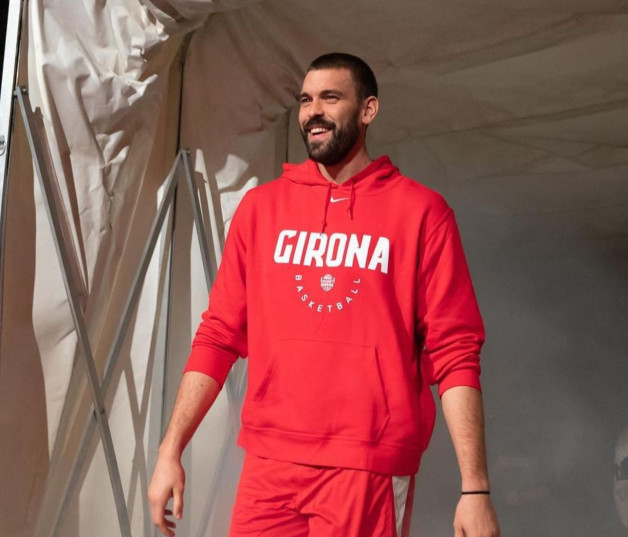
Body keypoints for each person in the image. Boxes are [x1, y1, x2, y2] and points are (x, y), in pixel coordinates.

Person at [148, 52, 500, 537]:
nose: (313, 110)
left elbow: (455, 351)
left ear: (368, 110)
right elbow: (219, 334)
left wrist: (474, 488)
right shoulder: (261, 209)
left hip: (367, 465)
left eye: (330, 98)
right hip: (269, 462)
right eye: (305, 100)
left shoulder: (421, 213)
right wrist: (170, 451)